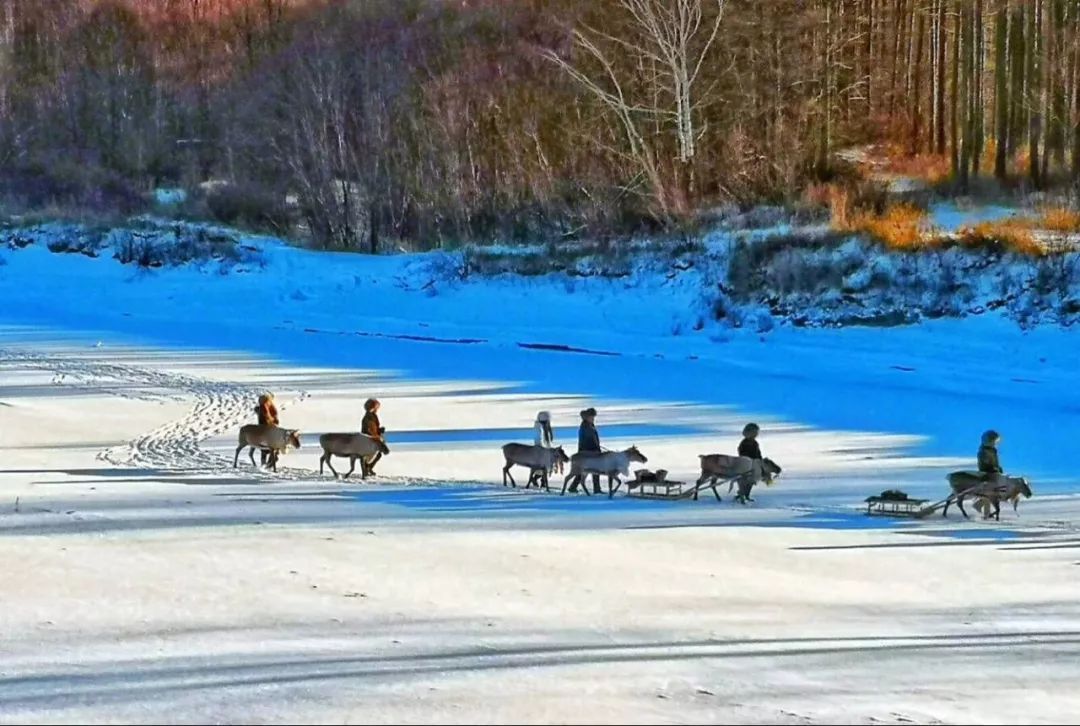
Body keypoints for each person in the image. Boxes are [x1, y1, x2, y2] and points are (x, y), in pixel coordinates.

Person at [569, 407, 602, 494]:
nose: (593, 418)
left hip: (591, 452)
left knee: (587, 470)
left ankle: (573, 487)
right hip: (587, 453)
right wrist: (595, 449)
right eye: (592, 417)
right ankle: (596, 489)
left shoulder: (589, 425)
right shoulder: (585, 426)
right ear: (588, 417)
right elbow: (588, 440)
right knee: (592, 469)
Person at [735, 422, 765, 504]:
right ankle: (742, 493)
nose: (756, 434)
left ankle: (746, 494)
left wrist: (760, 461)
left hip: (754, 464)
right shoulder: (744, 443)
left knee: (752, 481)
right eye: (754, 432)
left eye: (756, 433)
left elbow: (758, 453)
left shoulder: (755, 443)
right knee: (746, 480)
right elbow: (742, 454)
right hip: (746, 464)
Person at [529, 410, 558, 487]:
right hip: (541, 451)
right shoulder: (539, 428)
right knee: (544, 467)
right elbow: (538, 440)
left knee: (546, 467)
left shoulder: (545, 427)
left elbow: (547, 440)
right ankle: (540, 481)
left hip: (545, 450)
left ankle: (542, 481)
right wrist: (543, 449)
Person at [361, 398, 386, 476]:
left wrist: (379, 430)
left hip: (372, 438)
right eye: (376, 407)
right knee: (371, 454)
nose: (377, 409)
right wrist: (376, 436)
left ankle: (368, 468)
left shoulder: (372, 416)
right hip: (369, 439)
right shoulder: (368, 417)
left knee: (378, 454)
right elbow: (370, 429)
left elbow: (374, 428)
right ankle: (367, 468)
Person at [254, 393, 279, 466]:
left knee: (264, 447)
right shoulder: (270, 406)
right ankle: (269, 461)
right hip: (270, 429)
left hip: (265, 429)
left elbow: (266, 415)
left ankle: (266, 462)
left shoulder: (263, 407)